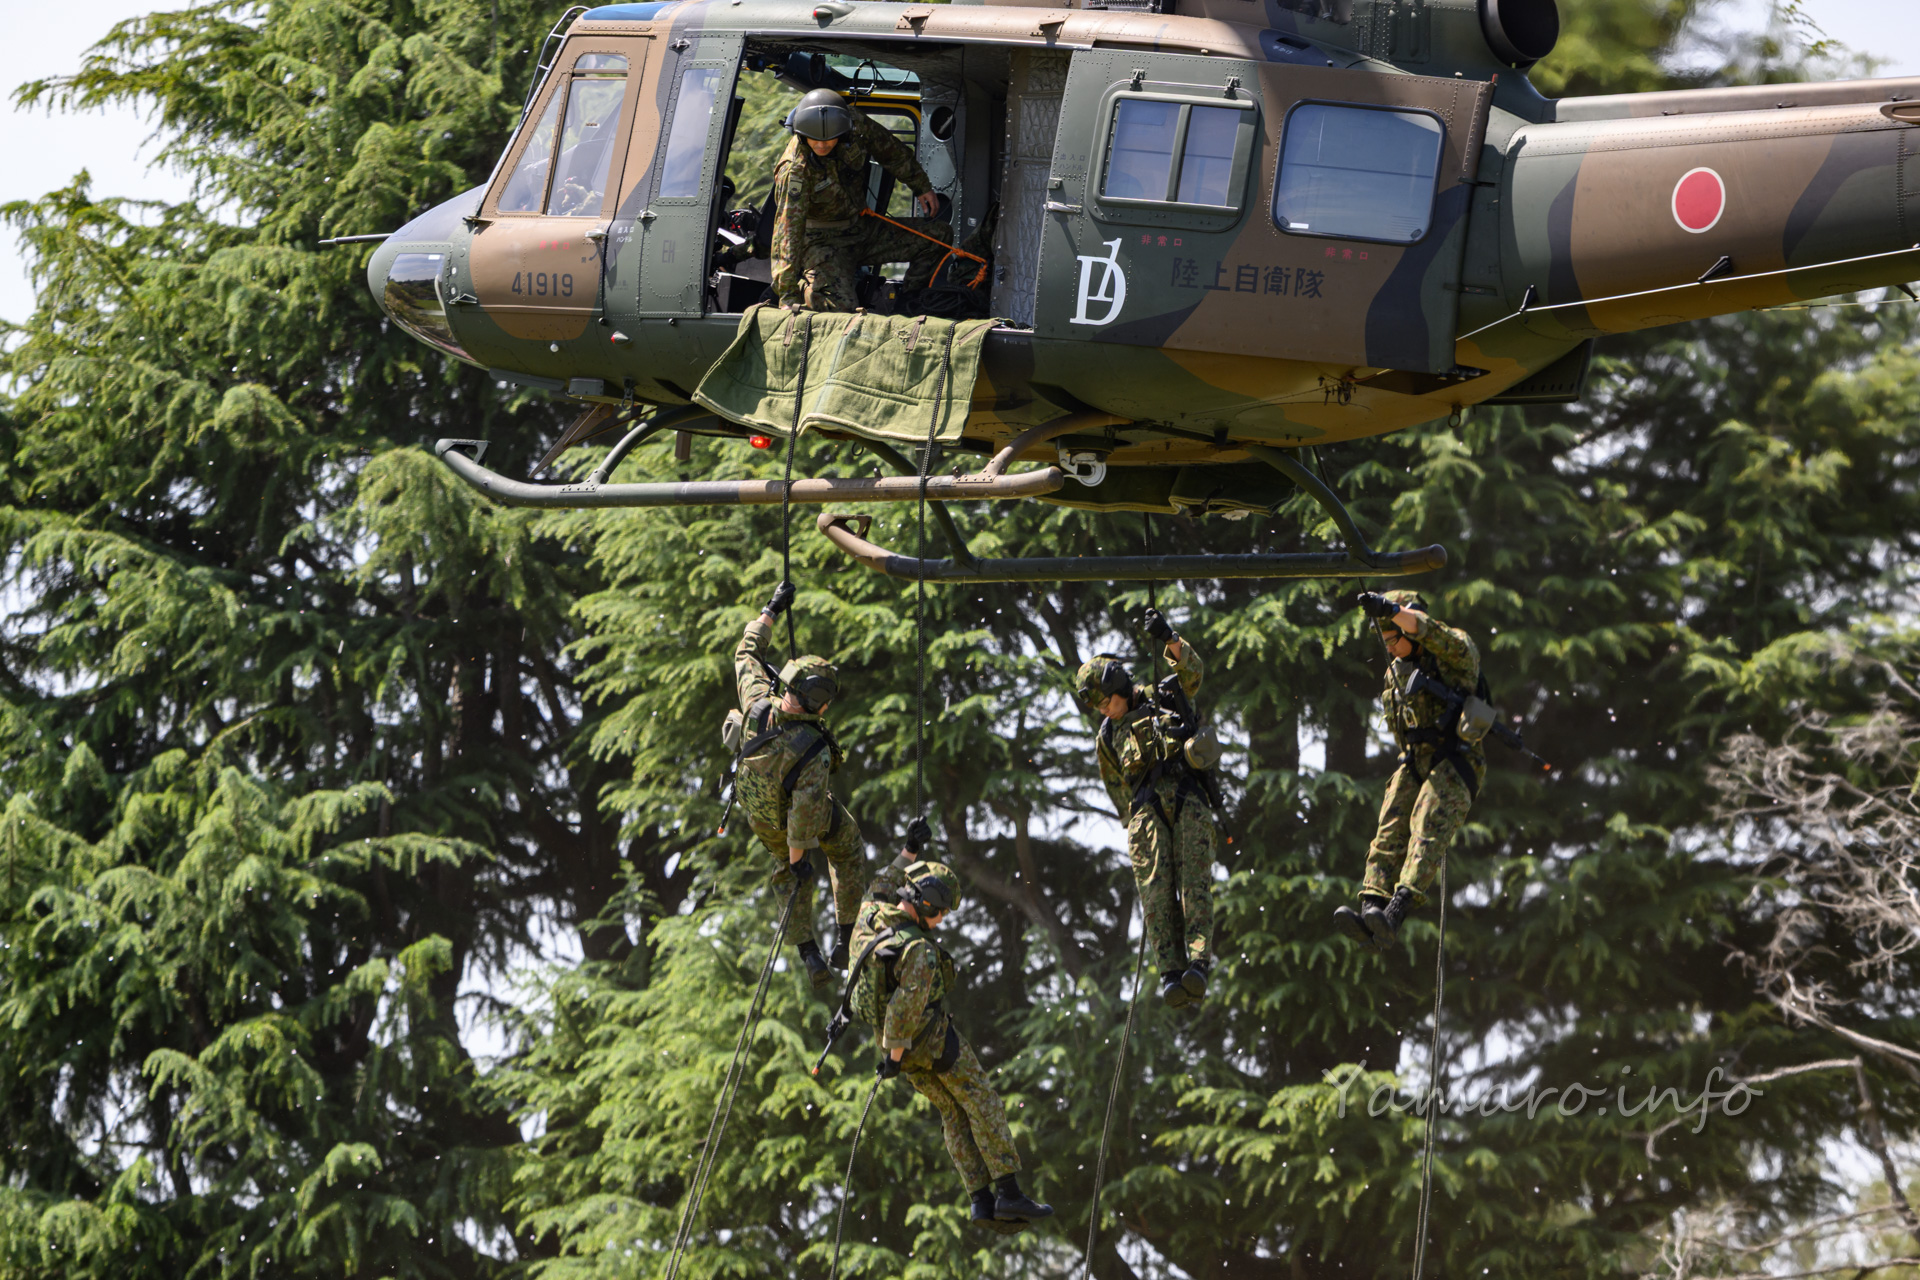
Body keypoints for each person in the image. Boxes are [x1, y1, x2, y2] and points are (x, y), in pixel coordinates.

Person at [846, 854, 1054, 1229]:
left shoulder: (869, 915)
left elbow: (881, 881)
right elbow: (904, 1009)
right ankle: (1008, 1193)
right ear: (926, 902)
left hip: (899, 1052)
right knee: (981, 1100)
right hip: (930, 1043)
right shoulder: (918, 952)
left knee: (952, 1111)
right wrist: (895, 1055)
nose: (941, 919)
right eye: (940, 911)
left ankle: (980, 1201)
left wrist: (908, 852)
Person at [1075, 608, 1220, 1009]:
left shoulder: (1165, 696)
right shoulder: (1107, 736)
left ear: (1119, 685)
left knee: (1193, 882)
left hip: (1187, 797)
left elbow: (1193, 674)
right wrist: (1136, 824)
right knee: (1155, 893)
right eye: (1098, 707)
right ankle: (1171, 972)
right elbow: (1115, 787)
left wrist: (1168, 637)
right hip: (1146, 814)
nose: (1104, 710)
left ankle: (1198, 962)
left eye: (1106, 701)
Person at [731, 579, 867, 987]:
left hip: (759, 814)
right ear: (822, 706)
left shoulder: (757, 702)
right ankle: (845, 938)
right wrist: (799, 861)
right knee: (845, 846)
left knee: (787, 875)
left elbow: (746, 652)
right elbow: (804, 818)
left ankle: (808, 952)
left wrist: (771, 610)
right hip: (789, 818)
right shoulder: (813, 750)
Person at [1333, 589, 1485, 949]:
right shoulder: (1397, 671)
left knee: (1426, 827)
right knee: (1389, 829)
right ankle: (1372, 907)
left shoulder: (1455, 651)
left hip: (1455, 759)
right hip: (1416, 759)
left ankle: (1396, 910)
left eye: (1393, 640)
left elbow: (1426, 629)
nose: (1389, 650)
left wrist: (1389, 610)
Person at [770, 87, 953, 312]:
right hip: (822, 242)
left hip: (862, 229)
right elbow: (787, 231)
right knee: (842, 308)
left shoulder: (855, 126)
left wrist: (921, 185)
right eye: (814, 139)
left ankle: (909, 305)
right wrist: (787, 295)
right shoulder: (795, 171)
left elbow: (890, 149)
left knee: (939, 236)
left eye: (829, 139)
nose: (821, 145)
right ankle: (806, 287)